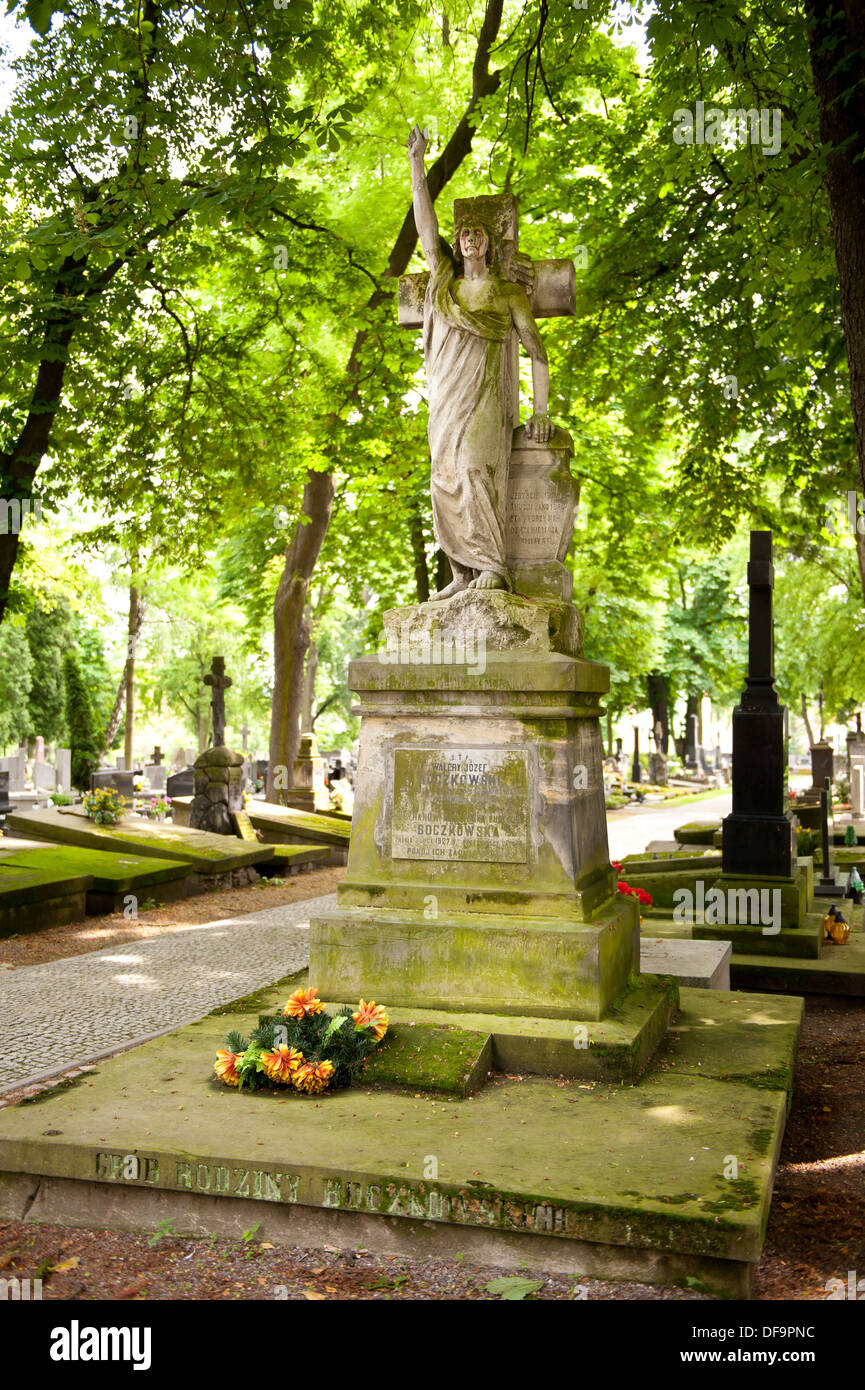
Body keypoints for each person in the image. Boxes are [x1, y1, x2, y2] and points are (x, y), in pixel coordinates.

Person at [408, 123, 553, 599]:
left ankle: (491, 565)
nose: (470, 239)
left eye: (478, 234)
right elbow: (425, 229)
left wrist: (541, 413)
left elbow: (536, 351)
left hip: (486, 397)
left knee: (474, 469)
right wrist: (417, 165)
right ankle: (461, 574)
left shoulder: (507, 292)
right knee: (443, 477)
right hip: (446, 398)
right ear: (458, 243)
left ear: (489, 244)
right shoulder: (443, 283)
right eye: (464, 234)